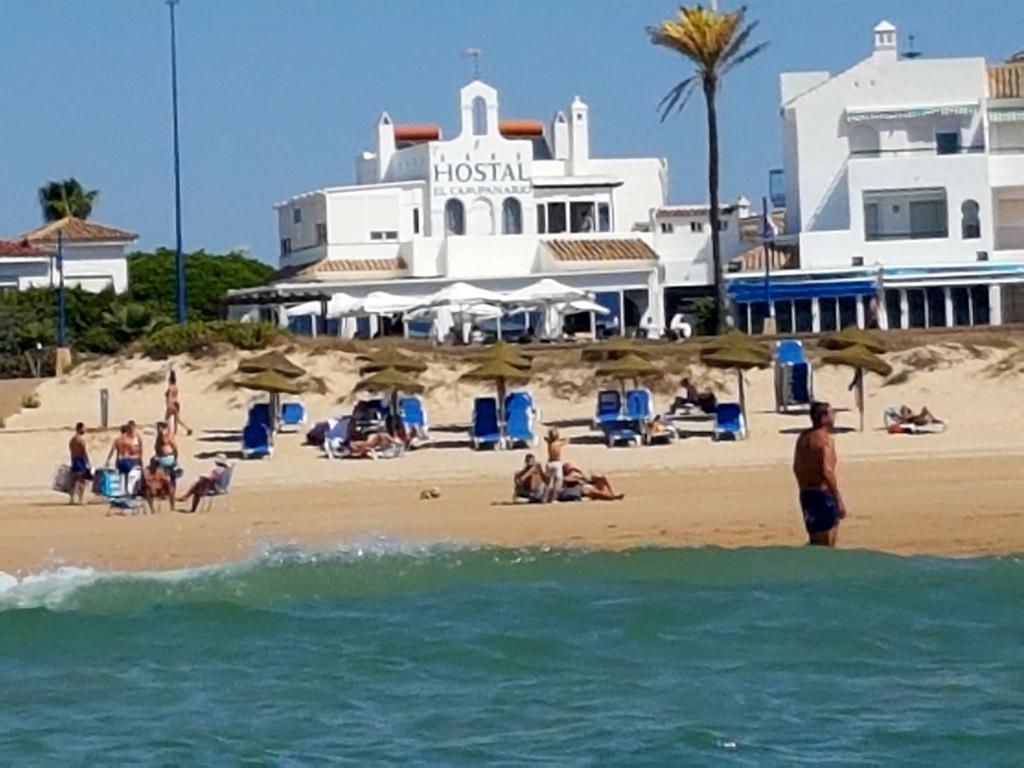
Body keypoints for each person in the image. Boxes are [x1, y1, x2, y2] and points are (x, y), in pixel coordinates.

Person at [793, 401, 847, 547]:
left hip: (806, 495)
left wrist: (803, 488)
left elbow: (797, 467)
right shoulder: (825, 439)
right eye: (832, 413)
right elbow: (827, 470)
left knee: (815, 542)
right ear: (824, 418)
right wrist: (838, 499)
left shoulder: (803, 438)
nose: (834, 416)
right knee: (828, 544)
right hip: (822, 495)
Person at [106, 424, 138, 492]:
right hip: (127, 460)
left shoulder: (117, 440)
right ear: (127, 431)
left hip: (119, 460)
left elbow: (112, 451)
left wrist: (108, 460)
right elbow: (133, 452)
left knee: (121, 476)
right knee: (127, 476)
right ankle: (126, 490)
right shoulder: (129, 441)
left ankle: (121, 490)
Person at [68, 421, 92, 504]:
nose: (85, 430)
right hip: (80, 461)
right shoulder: (80, 440)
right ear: (80, 428)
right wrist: (88, 462)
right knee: (82, 481)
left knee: (74, 481)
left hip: (74, 460)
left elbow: (71, 451)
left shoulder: (72, 440)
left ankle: (72, 499)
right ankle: (80, 499)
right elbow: (84, 452)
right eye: (83, 428)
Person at [165, 370, 193, 436]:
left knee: (167, 419)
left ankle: (169, 431)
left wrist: (168, 405)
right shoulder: (175, 387)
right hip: (176, 403)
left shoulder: (170, 388)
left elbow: (169, 397)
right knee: (177, 419)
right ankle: (186, 429)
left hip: (171, 404)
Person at [544, 428, 565, 503]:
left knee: (549, 482)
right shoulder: (558, 443)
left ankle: (546, 498)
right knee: (558, 481)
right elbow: (566, 441)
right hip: (556, 463)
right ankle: (553, 498)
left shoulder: (549, 443)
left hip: (549, 463)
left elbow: (545, 438)